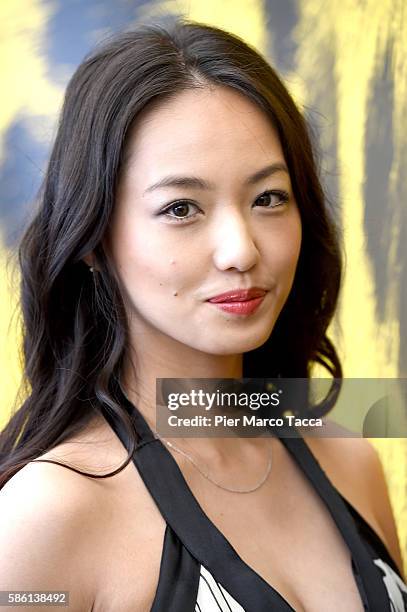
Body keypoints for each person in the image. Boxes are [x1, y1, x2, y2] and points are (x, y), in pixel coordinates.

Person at [0, 19, 406, 612]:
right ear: (92, 237)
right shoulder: (50, 514)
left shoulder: (350, 459)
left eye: (269, 197)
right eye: (181, 207)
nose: (242, 250)